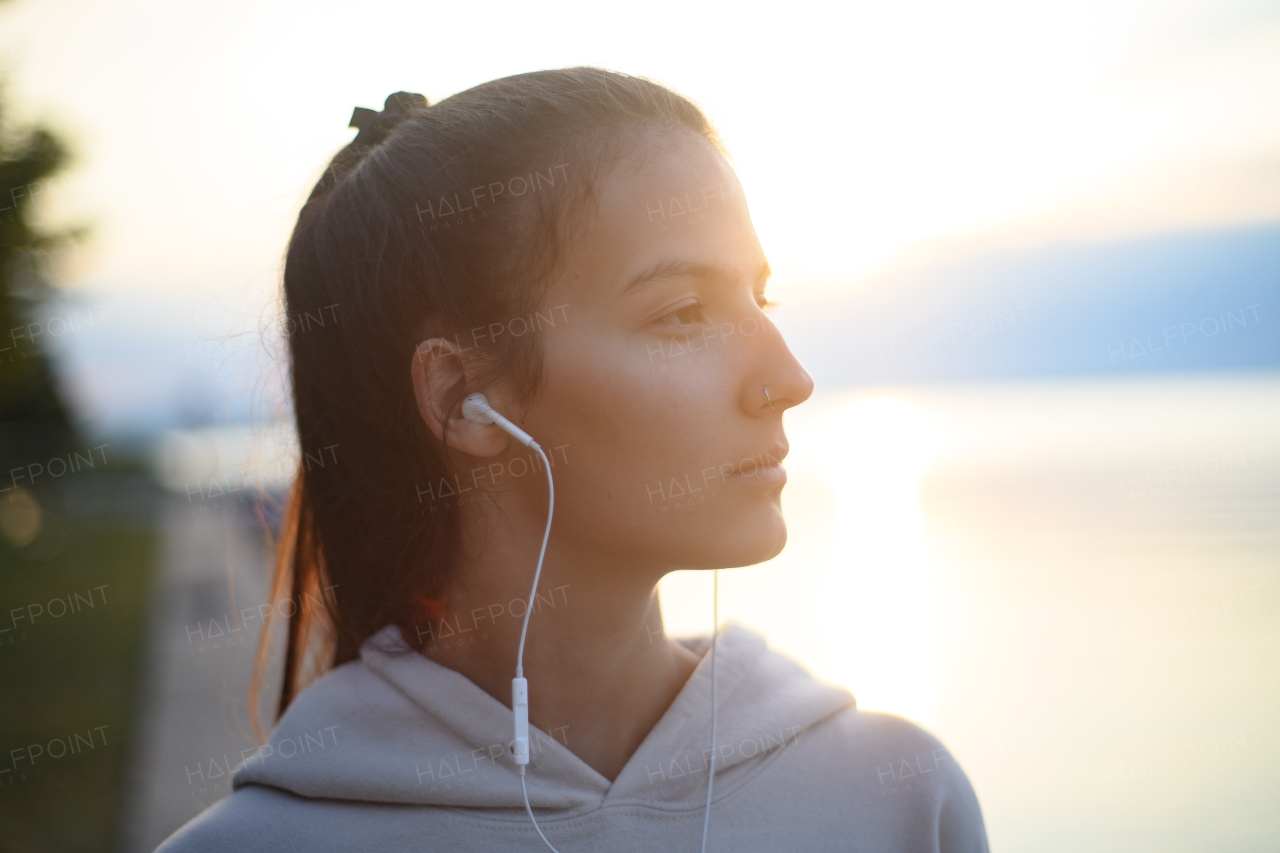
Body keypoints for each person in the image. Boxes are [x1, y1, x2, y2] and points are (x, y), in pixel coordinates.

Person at [155, 67, 988, 852]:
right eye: (684, 312)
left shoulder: (897, 801)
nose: (789, 379)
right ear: (459, 396)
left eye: (759, 298)